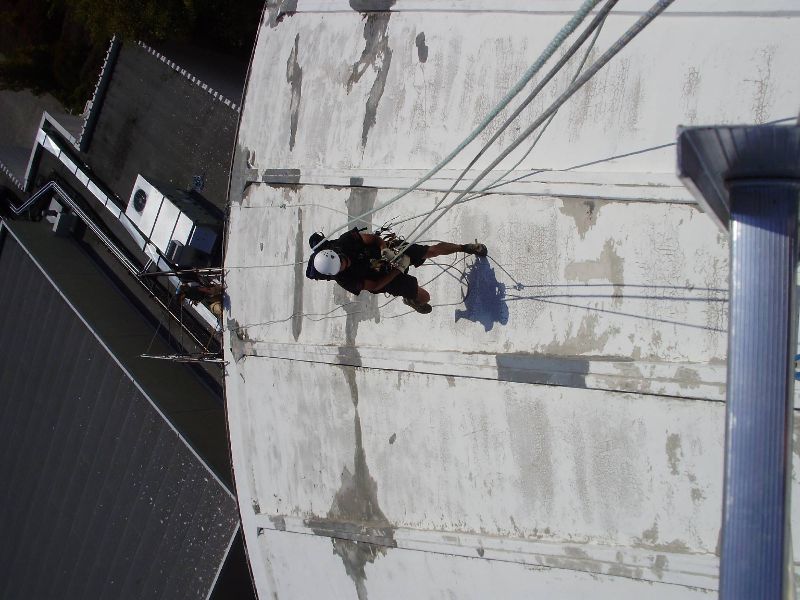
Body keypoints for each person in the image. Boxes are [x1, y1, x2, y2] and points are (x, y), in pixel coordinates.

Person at [311, 227, 487, 314]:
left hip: (387, 252)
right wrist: (398, 269)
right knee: (425, 297)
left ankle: (465, 247)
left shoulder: (345, 241)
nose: (344, 265)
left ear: (338, 253)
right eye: (340, 268)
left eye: (342, 261)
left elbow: (374, 239)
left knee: (430, 251)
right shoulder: (346, 280)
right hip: (382, 278)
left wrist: (384, 249)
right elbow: (375, 286)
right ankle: (412, 300)